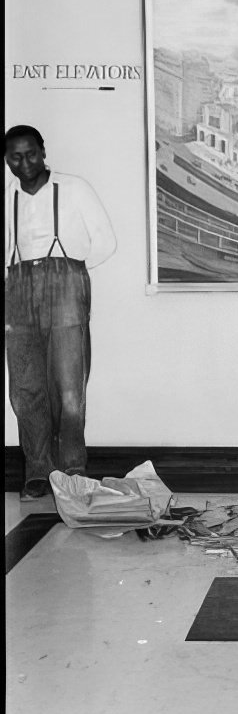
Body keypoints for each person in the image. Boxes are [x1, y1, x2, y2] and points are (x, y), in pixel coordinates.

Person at [4, 125, 117, 501]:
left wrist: (71, 273)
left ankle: (72, 468)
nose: (25, 163)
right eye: (16, 157)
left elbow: (106, 242)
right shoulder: (7, 197)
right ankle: (38, 470)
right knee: (25, 387)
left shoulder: (73, 188)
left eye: (31, 154)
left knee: (69, 387)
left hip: (65, 284)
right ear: (7, 160)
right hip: (19, 290)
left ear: (43, 151)